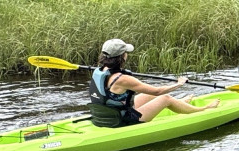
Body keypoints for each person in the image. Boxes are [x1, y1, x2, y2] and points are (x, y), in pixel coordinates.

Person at [88, 38, 217, 127]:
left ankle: (181, 103)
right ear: (122, 56)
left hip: (106, 115)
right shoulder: (122, 79)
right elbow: (157, 91)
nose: (127, 54)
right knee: (164, 98)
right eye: (125, 52)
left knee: (150, 96)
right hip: (122, 120)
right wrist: (179, 84)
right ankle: (202, 110)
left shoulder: (99, 71)